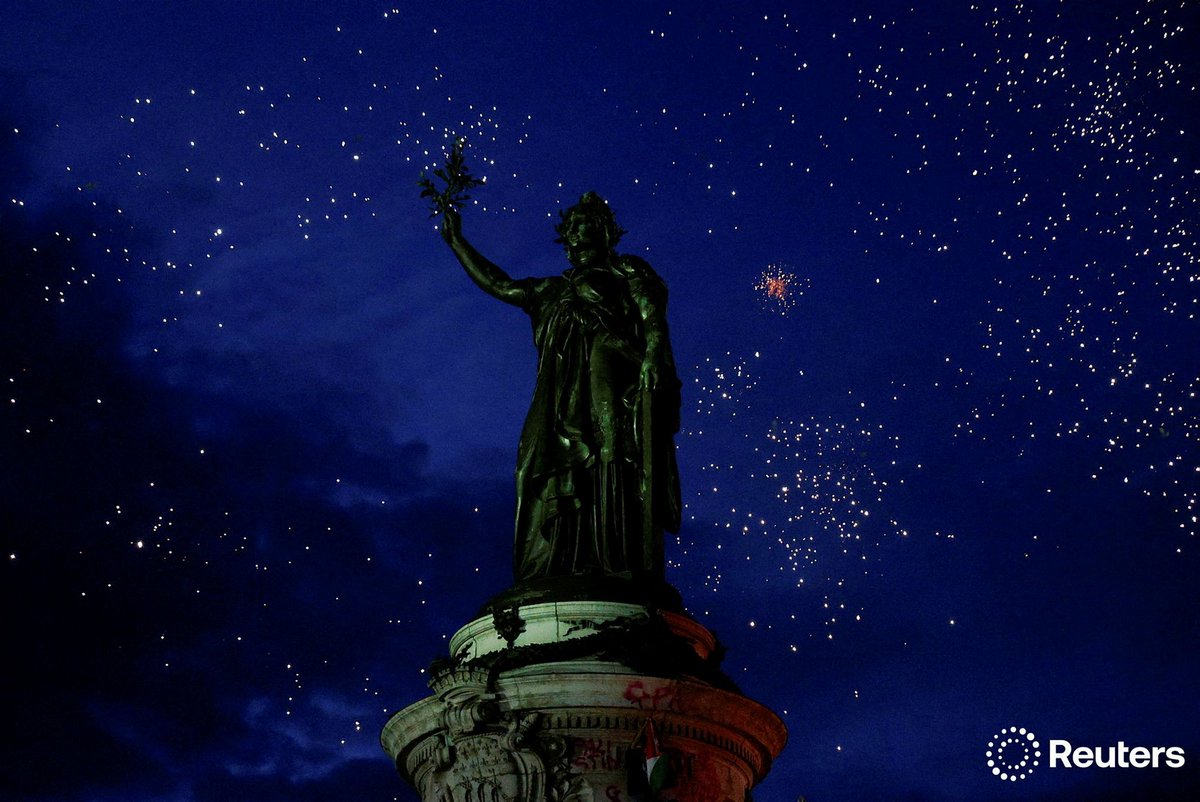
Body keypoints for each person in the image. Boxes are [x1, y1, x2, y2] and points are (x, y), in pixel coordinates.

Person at [439, 192, 681, 584]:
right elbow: (499, 284)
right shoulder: (550, 290)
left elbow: (652, 315)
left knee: (609, 455)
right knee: (533, 461)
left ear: (604, 232)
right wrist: (457, 242)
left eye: (586, 225)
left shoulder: (625, 270)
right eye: (572, 228)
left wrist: (653, 354)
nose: (578, 233)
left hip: (612, 376)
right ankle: (557, 563)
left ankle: (615, 558)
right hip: (558, 398)